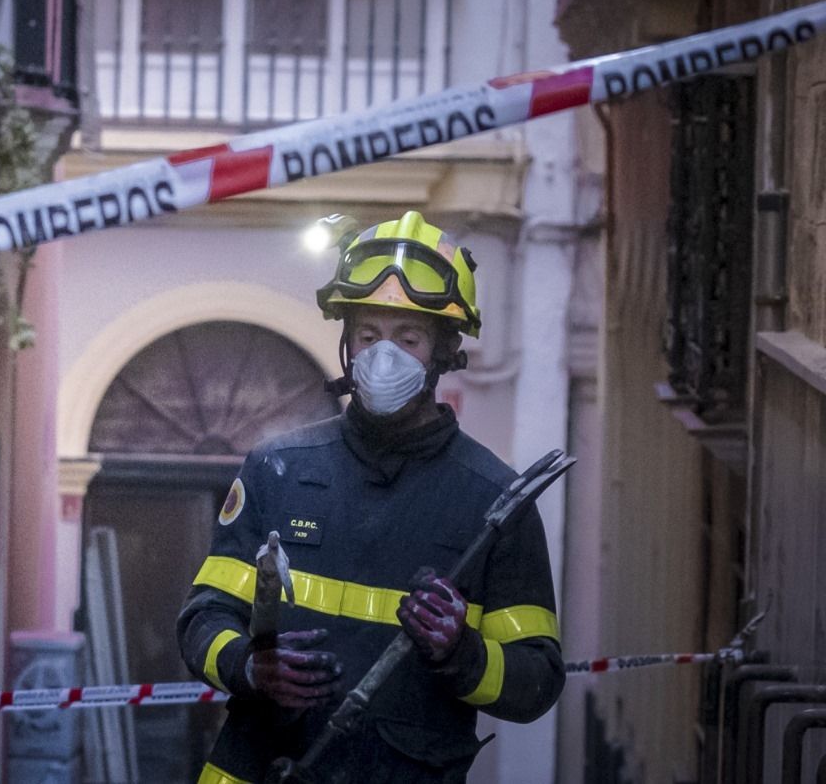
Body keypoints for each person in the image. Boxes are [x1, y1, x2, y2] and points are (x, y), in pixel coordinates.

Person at [177, 211, 564, 783]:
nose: (385, 356)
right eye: (368, 335)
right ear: (347, 342)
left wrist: (463, 653)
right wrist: (248, 666)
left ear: (442, 351)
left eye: (408, 338)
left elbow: (536, 682)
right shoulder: (277, 469)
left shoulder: (495, 500)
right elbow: (202, 620)